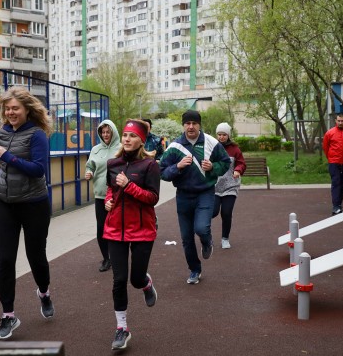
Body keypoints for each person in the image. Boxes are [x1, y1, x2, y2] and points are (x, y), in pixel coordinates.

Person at [0, 86, 54, 340]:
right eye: (7, 108)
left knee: (35, 257)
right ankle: (8, 316)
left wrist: (9, 158)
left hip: (34, 204)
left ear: (27, 109)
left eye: (15, 108)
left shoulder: (37, 135)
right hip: (6, 203)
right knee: (5, 260)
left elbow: (38, 170)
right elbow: (6, 169)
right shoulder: (3, 132)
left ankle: (44, 293)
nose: (10, 112)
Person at [103, 119, 160, 351]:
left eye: (132, 136)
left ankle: (146, 283)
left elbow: (153, 198)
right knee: (118, 280)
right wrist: (108, 200)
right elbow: (110, 188)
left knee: (135, 279)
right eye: (125, 135)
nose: (127, 139)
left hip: (142, 230)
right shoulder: (112, 163)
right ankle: (122, 328)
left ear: (141, 140)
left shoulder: (149, 166)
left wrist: (129, 186)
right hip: (115, 229)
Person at [159, 110, 230, 284]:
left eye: (194, 123)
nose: (191, 126)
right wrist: (178, 166)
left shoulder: (211, 142)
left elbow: (226, 162)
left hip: (205, 192)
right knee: (186, 238)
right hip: (183, 195)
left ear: (199, 125)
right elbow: (162, 172)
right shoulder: (175, 146)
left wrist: (213, 167)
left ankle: (207, 242)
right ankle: (194, 270)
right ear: (183, 125)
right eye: (187, 123)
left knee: (201, 228)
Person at [84, 119, 121, 272]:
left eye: (108, 131)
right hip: (100, 195)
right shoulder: (95, 149)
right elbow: (89, 165)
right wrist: (89, 172)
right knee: (101, 229)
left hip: (118, 195)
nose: (105, 134)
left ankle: (118, 256)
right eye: (103, 132)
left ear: (113, 132)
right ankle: (106, 258)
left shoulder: (121, 148)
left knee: (117, 227)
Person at [212, 122, 247, 249]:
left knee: (226, 212)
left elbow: (242, 163)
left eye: (224, 134)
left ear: (228, 135)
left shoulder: (235, 149)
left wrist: (238, 170)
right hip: (215, 186)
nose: (221, 137)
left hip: (230, 185)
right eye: (219, 134)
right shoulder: (213, 147)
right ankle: (207, 237)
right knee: (213, 212)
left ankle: (225, 238)